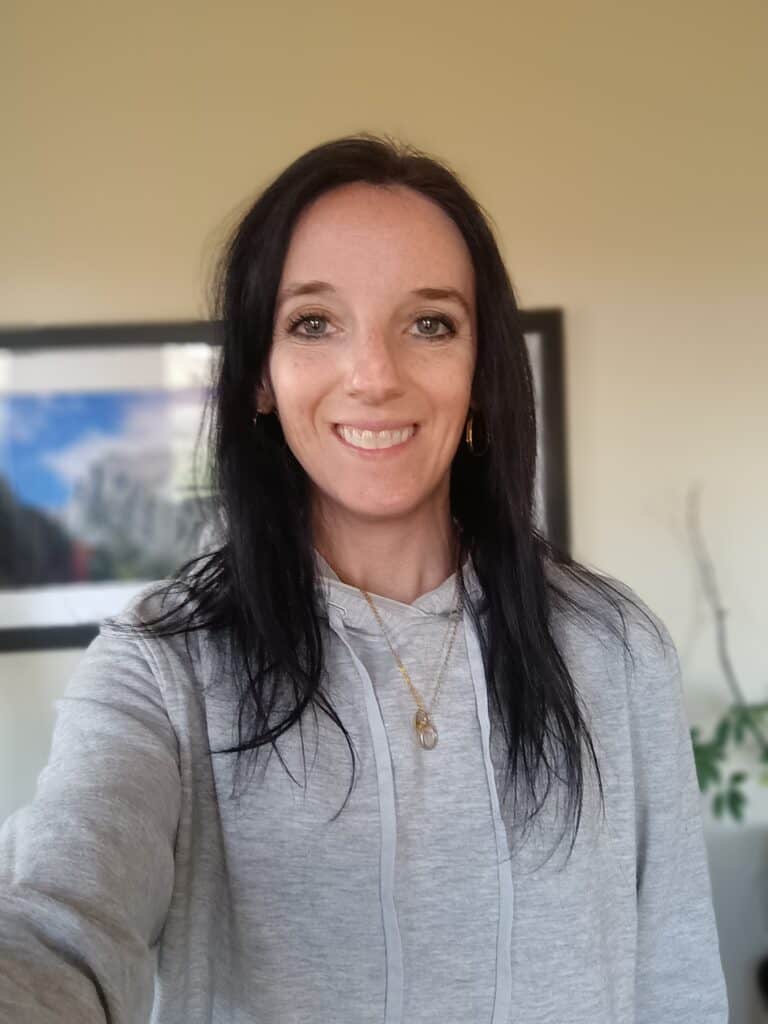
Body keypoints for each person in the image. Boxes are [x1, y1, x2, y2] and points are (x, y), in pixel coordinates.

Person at [0, 133, 728, 1023]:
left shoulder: (614, 648)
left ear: (480, 372)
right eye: (314, 323)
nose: (375, 376)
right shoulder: (163, 666)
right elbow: (59, 920)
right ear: (260, 377)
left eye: (430, 324)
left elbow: (678, 981)